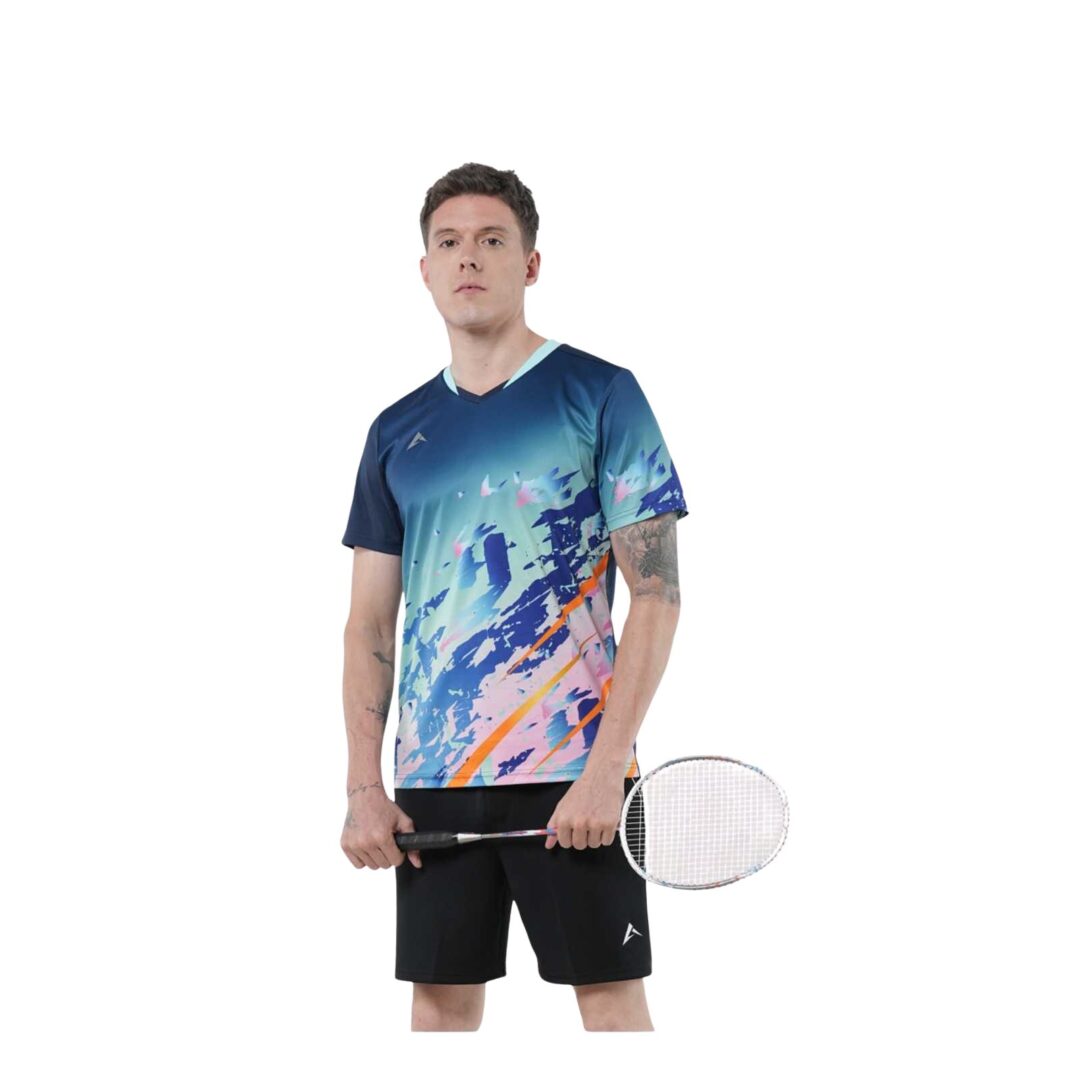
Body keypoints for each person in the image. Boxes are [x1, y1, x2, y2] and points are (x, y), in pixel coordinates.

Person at [339, 163, 688, 1031]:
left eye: (492, 240)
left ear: (530, 263)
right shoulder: (395, 431)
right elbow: (369, 625)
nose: (469, 258)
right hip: (433, 779)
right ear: (425, 269)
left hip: (575, 774)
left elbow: (657, 596)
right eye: (449, 242)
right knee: (440, 1015)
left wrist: (607, 771)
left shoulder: (600, 394)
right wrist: (363, 788)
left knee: (612, 1010)